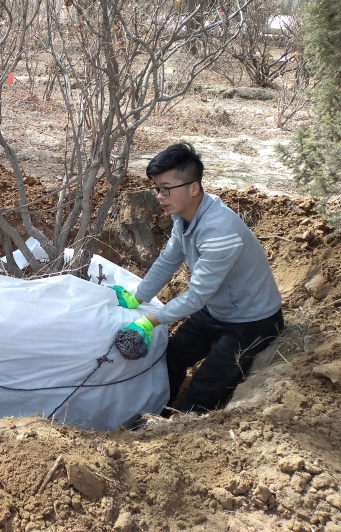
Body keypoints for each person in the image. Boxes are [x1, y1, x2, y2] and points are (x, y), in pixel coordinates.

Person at [110, 143, 283, 414]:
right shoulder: (185, 217)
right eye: (157, 189)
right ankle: (156, 411)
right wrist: (139, 295)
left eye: (166, 188)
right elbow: (169, 259)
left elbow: (196, 296)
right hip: (217, 310)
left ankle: (172, 432)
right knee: (171, 359)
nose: (160, 196)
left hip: (251, 321)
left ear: (194, 187)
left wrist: (149, 321)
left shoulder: (219, 232)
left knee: (203, 390)